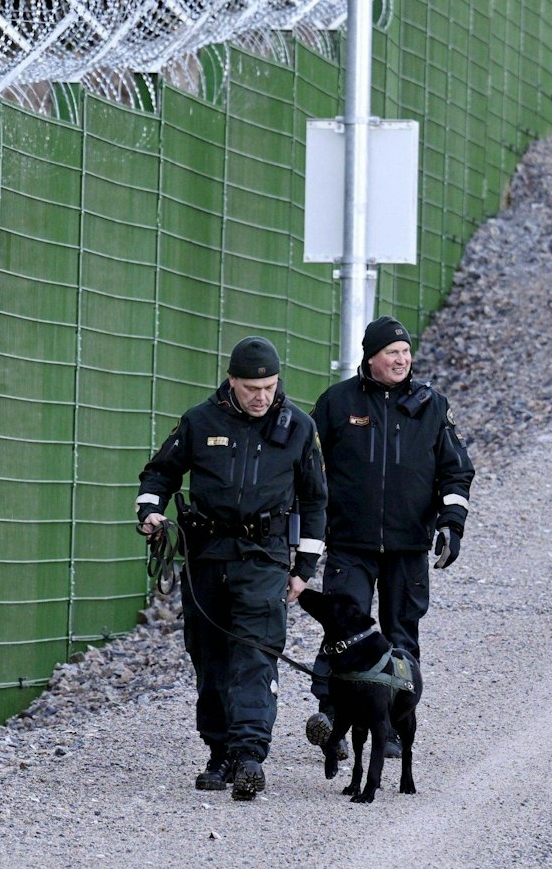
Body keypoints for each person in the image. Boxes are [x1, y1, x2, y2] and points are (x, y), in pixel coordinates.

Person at [135, 336, 328, 801]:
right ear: (231, 382)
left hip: (265, 560)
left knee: (255, 655)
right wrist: (150, 512)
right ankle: (219, 751)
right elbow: (160, 472)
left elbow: (317, 500)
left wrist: (303, 567)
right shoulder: (200, 421)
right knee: (209, 655)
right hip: (207, 558)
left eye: (269, 386)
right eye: (250, 388)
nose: (260, 396)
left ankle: (248, 756)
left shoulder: (298, 427)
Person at [303, 316, 473, 758]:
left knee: (401, 638)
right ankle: (332, 721)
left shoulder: (432, 405)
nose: (401, 360)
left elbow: (456, 471)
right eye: (391, 353)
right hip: (350, 544)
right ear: (371, 358)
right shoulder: (337, 403)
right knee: (343, 632)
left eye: (405, 352)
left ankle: (393, 727)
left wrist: (451, 526)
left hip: (408, 547)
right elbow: (306, 467)